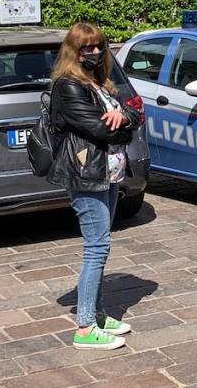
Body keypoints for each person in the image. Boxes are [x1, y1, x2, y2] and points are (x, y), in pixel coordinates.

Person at [47, 23, 142, 350]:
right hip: (86, 173)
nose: (95, 52)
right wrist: (123, 126)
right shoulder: (68, 86)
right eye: (87, 47)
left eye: (99, 46)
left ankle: (99, 314)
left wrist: (125, 118)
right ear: (74, 51)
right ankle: (85, 327)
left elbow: (132, 111)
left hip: (109, 172)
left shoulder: (99, 82)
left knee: (101, 244)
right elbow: (98, 130)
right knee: (97, 247)